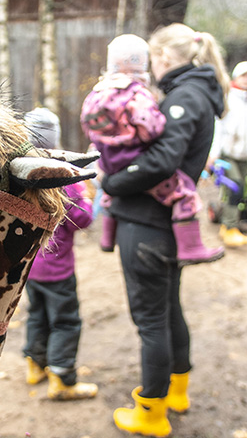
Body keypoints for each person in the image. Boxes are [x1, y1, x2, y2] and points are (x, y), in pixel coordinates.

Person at [100, 23, 228, 436]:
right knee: (168, 310)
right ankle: (176, 392)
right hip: (162, 224)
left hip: (146, 224)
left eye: (153, 59)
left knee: (152, 321)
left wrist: (111, 182)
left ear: (164, 57)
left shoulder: (185, 96)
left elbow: (162, 160)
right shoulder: (195, 92)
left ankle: (151, 413)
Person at [81, 33, 224, 266]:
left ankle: (107, 236)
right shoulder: (140, 94)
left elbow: (87, 124)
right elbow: (151, 130)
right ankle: (191, 246)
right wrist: (153, 132)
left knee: (107, 196)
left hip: (110, 160)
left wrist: (103, 146)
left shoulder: (97, 93)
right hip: (142, 203)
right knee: (185, 195)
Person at [21, 107, 99, 401]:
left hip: (29, 267)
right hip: (58, 271)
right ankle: (62, 379)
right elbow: (83, 219)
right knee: (65, 321)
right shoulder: (63, 178)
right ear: (54, 139)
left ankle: (35, 365)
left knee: (37, 315)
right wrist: (87, 197)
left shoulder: (20, 174)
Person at [209, 61, 247, 248]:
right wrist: (213, 154)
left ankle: (231, 222)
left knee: (245, 188)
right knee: (235, 185)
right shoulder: (228, 98)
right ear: (236, 77)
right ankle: (230, 226)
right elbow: (218, 126)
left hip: (245, 155)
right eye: (243, 76)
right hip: (228, 153)